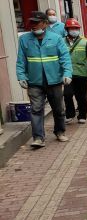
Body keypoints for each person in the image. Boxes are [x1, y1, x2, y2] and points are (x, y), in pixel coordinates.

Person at [16, 11, 72, 148]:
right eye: (32, 23)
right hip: (34, 81)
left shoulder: (56, 38)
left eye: (37, 22)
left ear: (45, 24)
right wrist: (21, 76)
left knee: (58, 109)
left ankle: (60, 131)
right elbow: (21, 60)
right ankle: (38, 138)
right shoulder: (24, 39)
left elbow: (65, 57)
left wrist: (67, 73)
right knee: (36, 109)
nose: (33, 25)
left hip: (54, 80)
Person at [63, 18, 87, 124]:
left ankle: (82, 115)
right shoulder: (61, 42)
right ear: (67, 29)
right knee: (67, 94)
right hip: (67, 73)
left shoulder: (86, 42)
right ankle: (70, 113)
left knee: (81, 96)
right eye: (72, 28)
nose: (74, 30)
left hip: (81, 72)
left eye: (76, 28)